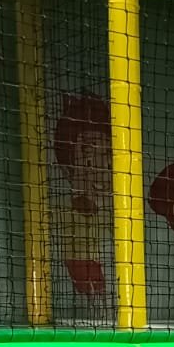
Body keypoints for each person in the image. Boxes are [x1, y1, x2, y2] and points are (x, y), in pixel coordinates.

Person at [54, 93, 111, 299]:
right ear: (68, 168)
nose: (102, 168)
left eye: (108, 156)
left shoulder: (116, 215)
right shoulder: (65, 218)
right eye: (89, 159)